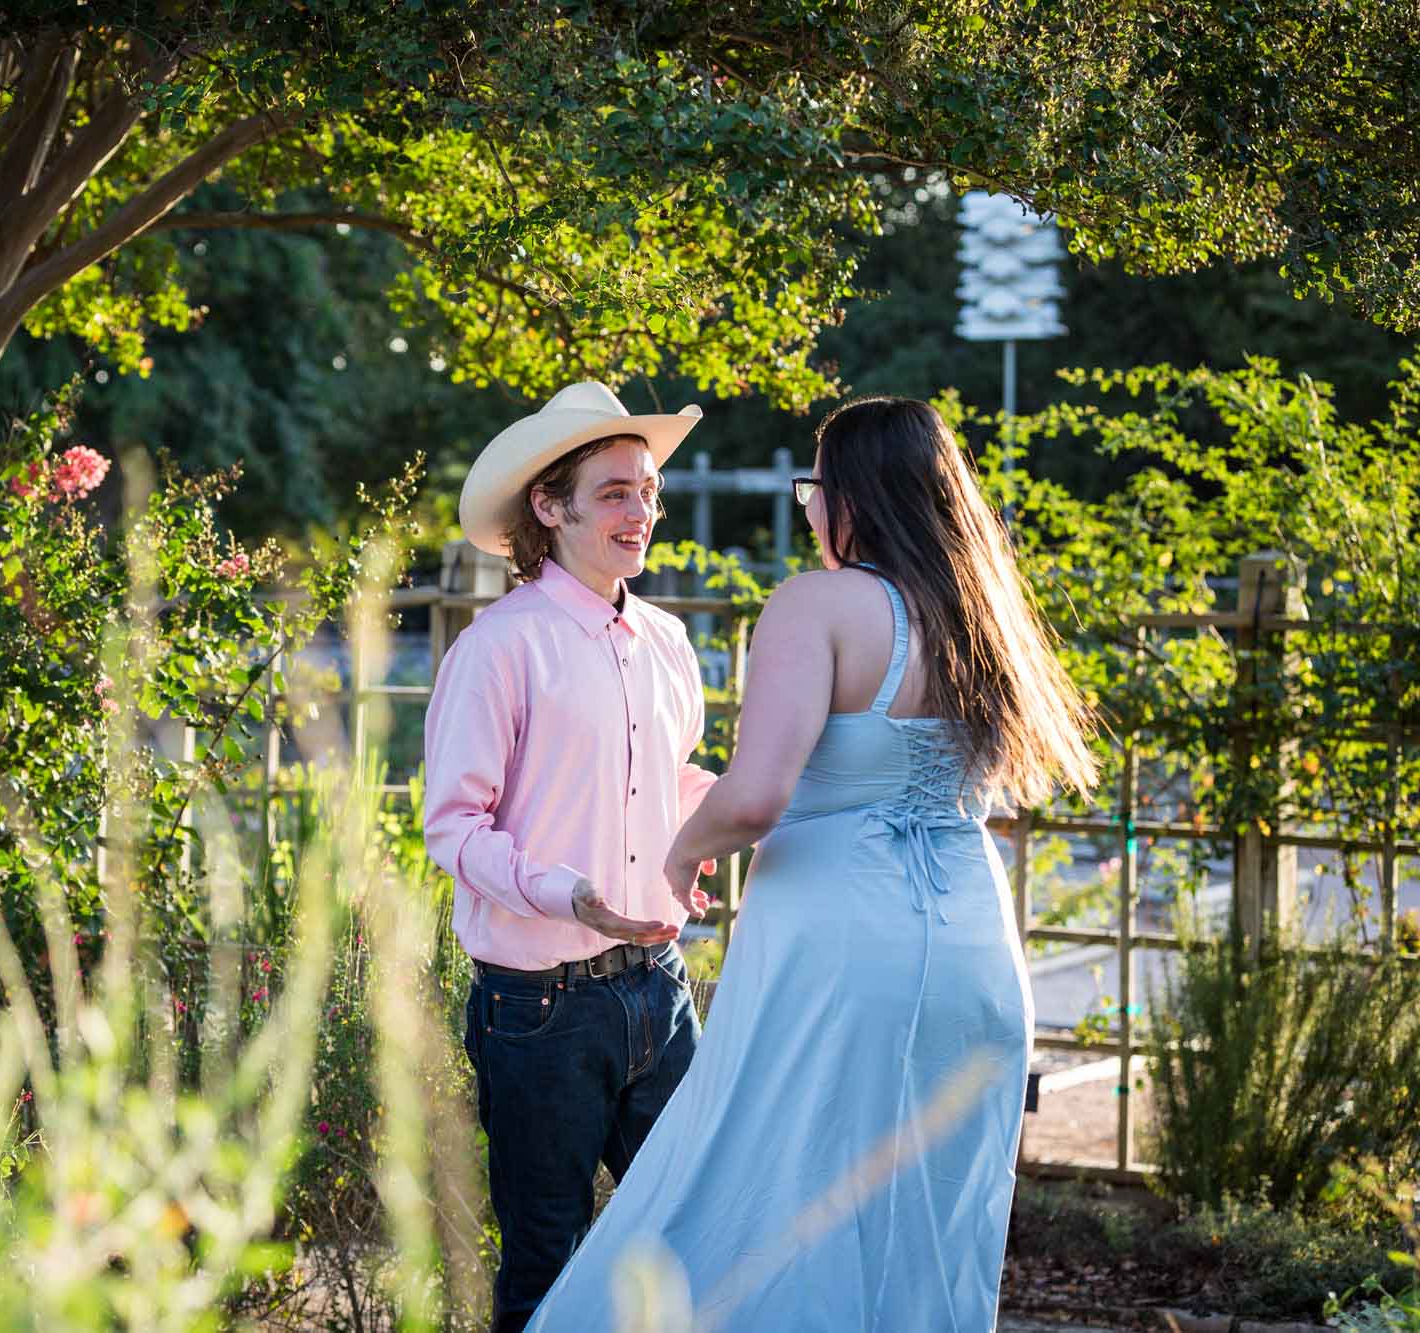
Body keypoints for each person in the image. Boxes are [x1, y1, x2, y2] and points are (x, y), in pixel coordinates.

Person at [525, 396, 1099, 1331]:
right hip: (976, 948)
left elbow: (755, 797)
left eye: (813, 491)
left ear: (852, 498)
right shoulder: (983, 611)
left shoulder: (818, 605)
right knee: (930, 1223)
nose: (810, 511)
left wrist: (681, 852)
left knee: (772, 1190)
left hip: (840, 948)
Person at [423, 380, 723, 1333]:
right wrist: (570, 894)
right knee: (547, 1262)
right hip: (537, 1010)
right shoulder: (498, 648)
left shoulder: (669, 642)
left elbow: (668, 779)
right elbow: (453, 828)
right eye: (615, 493)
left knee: (688, 1240)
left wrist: (721, 821)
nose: (642, 512)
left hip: (661, 987)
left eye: (647, 491)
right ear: (548, 508)